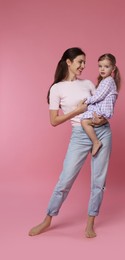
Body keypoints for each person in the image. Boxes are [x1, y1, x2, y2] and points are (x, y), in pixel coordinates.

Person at [28, 47, 119, 238]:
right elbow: (54, 121)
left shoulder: (88, 83)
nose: (83, 66)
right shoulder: (57, 88)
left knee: (98, 182)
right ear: (69, 63)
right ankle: (47, 219)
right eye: (80, 62)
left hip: (101, 132)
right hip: (79, 134)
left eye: (85, 62)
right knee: (65, 180)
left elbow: (100, 105)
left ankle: (90, 223)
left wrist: (102, 120)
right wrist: (77, 112)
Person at [81, 53, 120, 156]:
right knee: (87, 118)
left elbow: (99, 96)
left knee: (85, 122)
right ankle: (95, 141)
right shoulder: (104, 80)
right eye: (100, 66)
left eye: (106, 67)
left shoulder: (108, 81)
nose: (102, 69)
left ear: (113, 68)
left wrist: (87, 101)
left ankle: (96, 142)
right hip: (100, 108)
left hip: (102, 109)